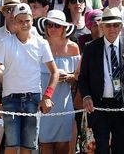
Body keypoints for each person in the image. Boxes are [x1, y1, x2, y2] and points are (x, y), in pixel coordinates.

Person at [0, 3, 59, 154]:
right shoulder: (5, 43)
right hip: (10, 100)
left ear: (32, 20)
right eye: (21, 21)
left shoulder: (41, 43)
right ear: (14, 22)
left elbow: (55, 72)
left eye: (27, 21)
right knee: (11, 146)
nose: (25, 24)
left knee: (29, 147)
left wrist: (47, 96)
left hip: (33, 99)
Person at [78, 7, 124, 154]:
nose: (112, 28)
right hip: (99, 106)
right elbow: (82, 78)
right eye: (108, 25)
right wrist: (86, 96)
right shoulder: (91, 48)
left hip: (123, 107)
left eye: (116, 25)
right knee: (101, 148)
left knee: (120, 148)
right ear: (101, 26)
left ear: (121, 26)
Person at [35, 10, 79, 153]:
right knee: (46, 144)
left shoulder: (73, 47)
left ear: (64, 28)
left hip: (65, 102)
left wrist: (69, 77)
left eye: (57, 25)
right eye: (50, 25)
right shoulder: (39, 45)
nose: (53, 28)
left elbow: (78, 75)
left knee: (63, 145)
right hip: (44, 101)